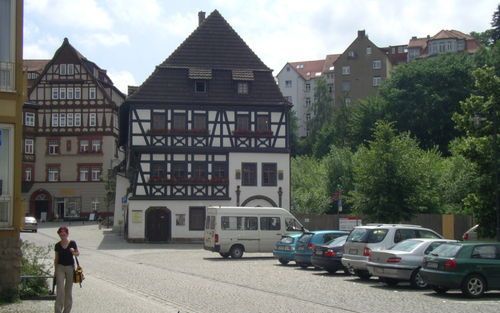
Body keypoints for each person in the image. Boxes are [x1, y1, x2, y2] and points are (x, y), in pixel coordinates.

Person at [54, 226, 79, 313]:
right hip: (60, 267)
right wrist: (55, 270)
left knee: (68, 291)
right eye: (61, 234)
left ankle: (67, 311)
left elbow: (77, 254)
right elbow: (56, 259)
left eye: (64, 234)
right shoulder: (57, 245)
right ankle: (58, 311)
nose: (62, 236)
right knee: (60, 290)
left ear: (67, 234)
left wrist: (73, 252)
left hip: (70, 268)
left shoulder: (72, 243)